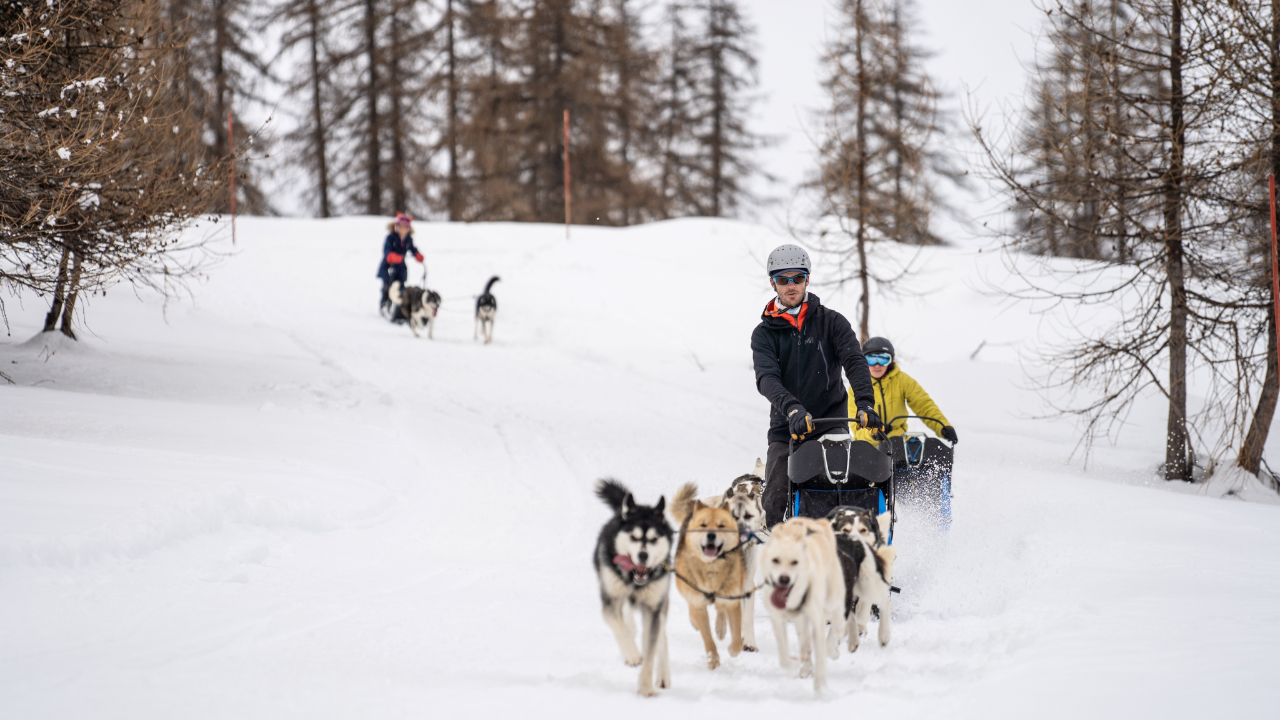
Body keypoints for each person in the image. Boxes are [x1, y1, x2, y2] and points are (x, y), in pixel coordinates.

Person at [751, 244, 882, 528]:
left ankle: (845, 542)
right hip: (787, 426)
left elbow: (855, 362)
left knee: (840, 485)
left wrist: (865, 402)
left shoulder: (831, 322)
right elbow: (767, 378)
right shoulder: (764, 334)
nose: (791, 285)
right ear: (772, 282)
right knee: (774, 495)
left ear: (807, 279)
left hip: (830, 421)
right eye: (783, 279)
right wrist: (792, 409)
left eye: (797, 278)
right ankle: (774, 552)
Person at [850, 336, 957, 445]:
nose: (877, 365)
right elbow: (855, 424)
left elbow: (924, 405)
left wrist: (943, 427)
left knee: (921, 448)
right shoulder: (857, 386)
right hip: (868, 447)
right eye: (871, 359)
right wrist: (873, 434)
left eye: (883, 359)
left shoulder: (902, 381)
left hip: (898, 444)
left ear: (891, 361)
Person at [377, 213, 424, 320]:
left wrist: (417, 255)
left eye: (405, 228)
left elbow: (413, 249)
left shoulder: (408, 239)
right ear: (396, 227)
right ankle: (385, 305)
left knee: (401, 289)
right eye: (400, 227)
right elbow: (387, 251)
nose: (402, 230)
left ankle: (399, 309)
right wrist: (392, 257)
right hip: (388, 267)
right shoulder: (390, 238)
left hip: (401, 268)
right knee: (387, 288)